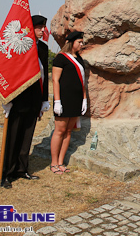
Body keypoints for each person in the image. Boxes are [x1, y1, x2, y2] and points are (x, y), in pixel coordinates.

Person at [1, 15, 49, 188]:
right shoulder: (20, 46)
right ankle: (7, 172)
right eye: (39, 27)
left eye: (44, 27)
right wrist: (8, 99)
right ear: (30, 28)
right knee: (13, 137)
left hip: (35, 98)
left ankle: (22, 169)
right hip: (18, 99)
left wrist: (44, 100)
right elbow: (11, 71)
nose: (43, 30)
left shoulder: (43, 48)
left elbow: (45, 76)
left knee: (27, 136)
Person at [50, 31, 87, 174]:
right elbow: (55, 80)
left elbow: (83, 81)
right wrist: (57, 101)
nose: (82, 44)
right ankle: (53, 163)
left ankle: (61, 161)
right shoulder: (60, 58)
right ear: (72, 43)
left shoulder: (79, 59)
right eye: (80, 42)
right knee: (59, 131)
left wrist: (84, 99)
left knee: (69, 131)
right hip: (64, 99)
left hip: (76, 99)